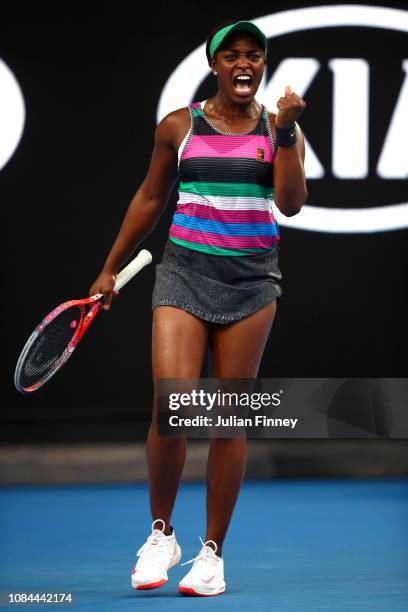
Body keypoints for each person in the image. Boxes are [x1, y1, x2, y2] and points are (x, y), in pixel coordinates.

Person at [89, 19, 307, 597]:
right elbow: (151, 196)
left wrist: (284, 134)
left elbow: (290, 204)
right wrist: (111, 268)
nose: (244, 62)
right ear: (214, 65)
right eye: (232, 54)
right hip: (184, 274)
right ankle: (162, 534)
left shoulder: (282, 129)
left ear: (261, 66)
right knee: (173, 407)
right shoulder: (179, 127)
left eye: (253, 55)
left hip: (253, 284)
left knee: (228, 422)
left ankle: (212, 553)